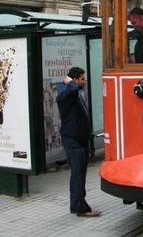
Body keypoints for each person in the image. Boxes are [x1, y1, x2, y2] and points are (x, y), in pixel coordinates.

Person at [56, 67, 101, 217]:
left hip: (80, 140)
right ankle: (82, 208)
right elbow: (73, 89)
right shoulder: (65, 96)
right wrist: (69, 82)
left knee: (78, 174)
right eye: (82, 79)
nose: (85, 81)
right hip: (72, 140)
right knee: (77, 175)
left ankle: (75, 205)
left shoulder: (75, 94)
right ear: (74, 81)